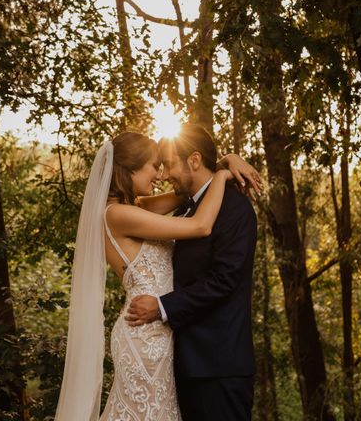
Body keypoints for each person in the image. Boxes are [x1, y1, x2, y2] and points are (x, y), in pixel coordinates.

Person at [54, 131, 261, 421]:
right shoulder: (118, 215)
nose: (161, 175)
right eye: (155, 165)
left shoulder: (139, 209)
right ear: (130, 170)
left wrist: (224, 163)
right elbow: (200, 225)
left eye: (165, 165)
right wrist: (223, 173)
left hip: (198, 354)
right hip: (147, 334)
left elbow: (186, 192)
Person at [126, 124, 258, 420]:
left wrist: (160, 307)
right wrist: (225, 164)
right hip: (187, 363)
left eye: (170, 165)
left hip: (220, 368)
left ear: (194, 160)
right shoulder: (186, 209)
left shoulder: (235, 208)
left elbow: (223, 280)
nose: (163, 175)